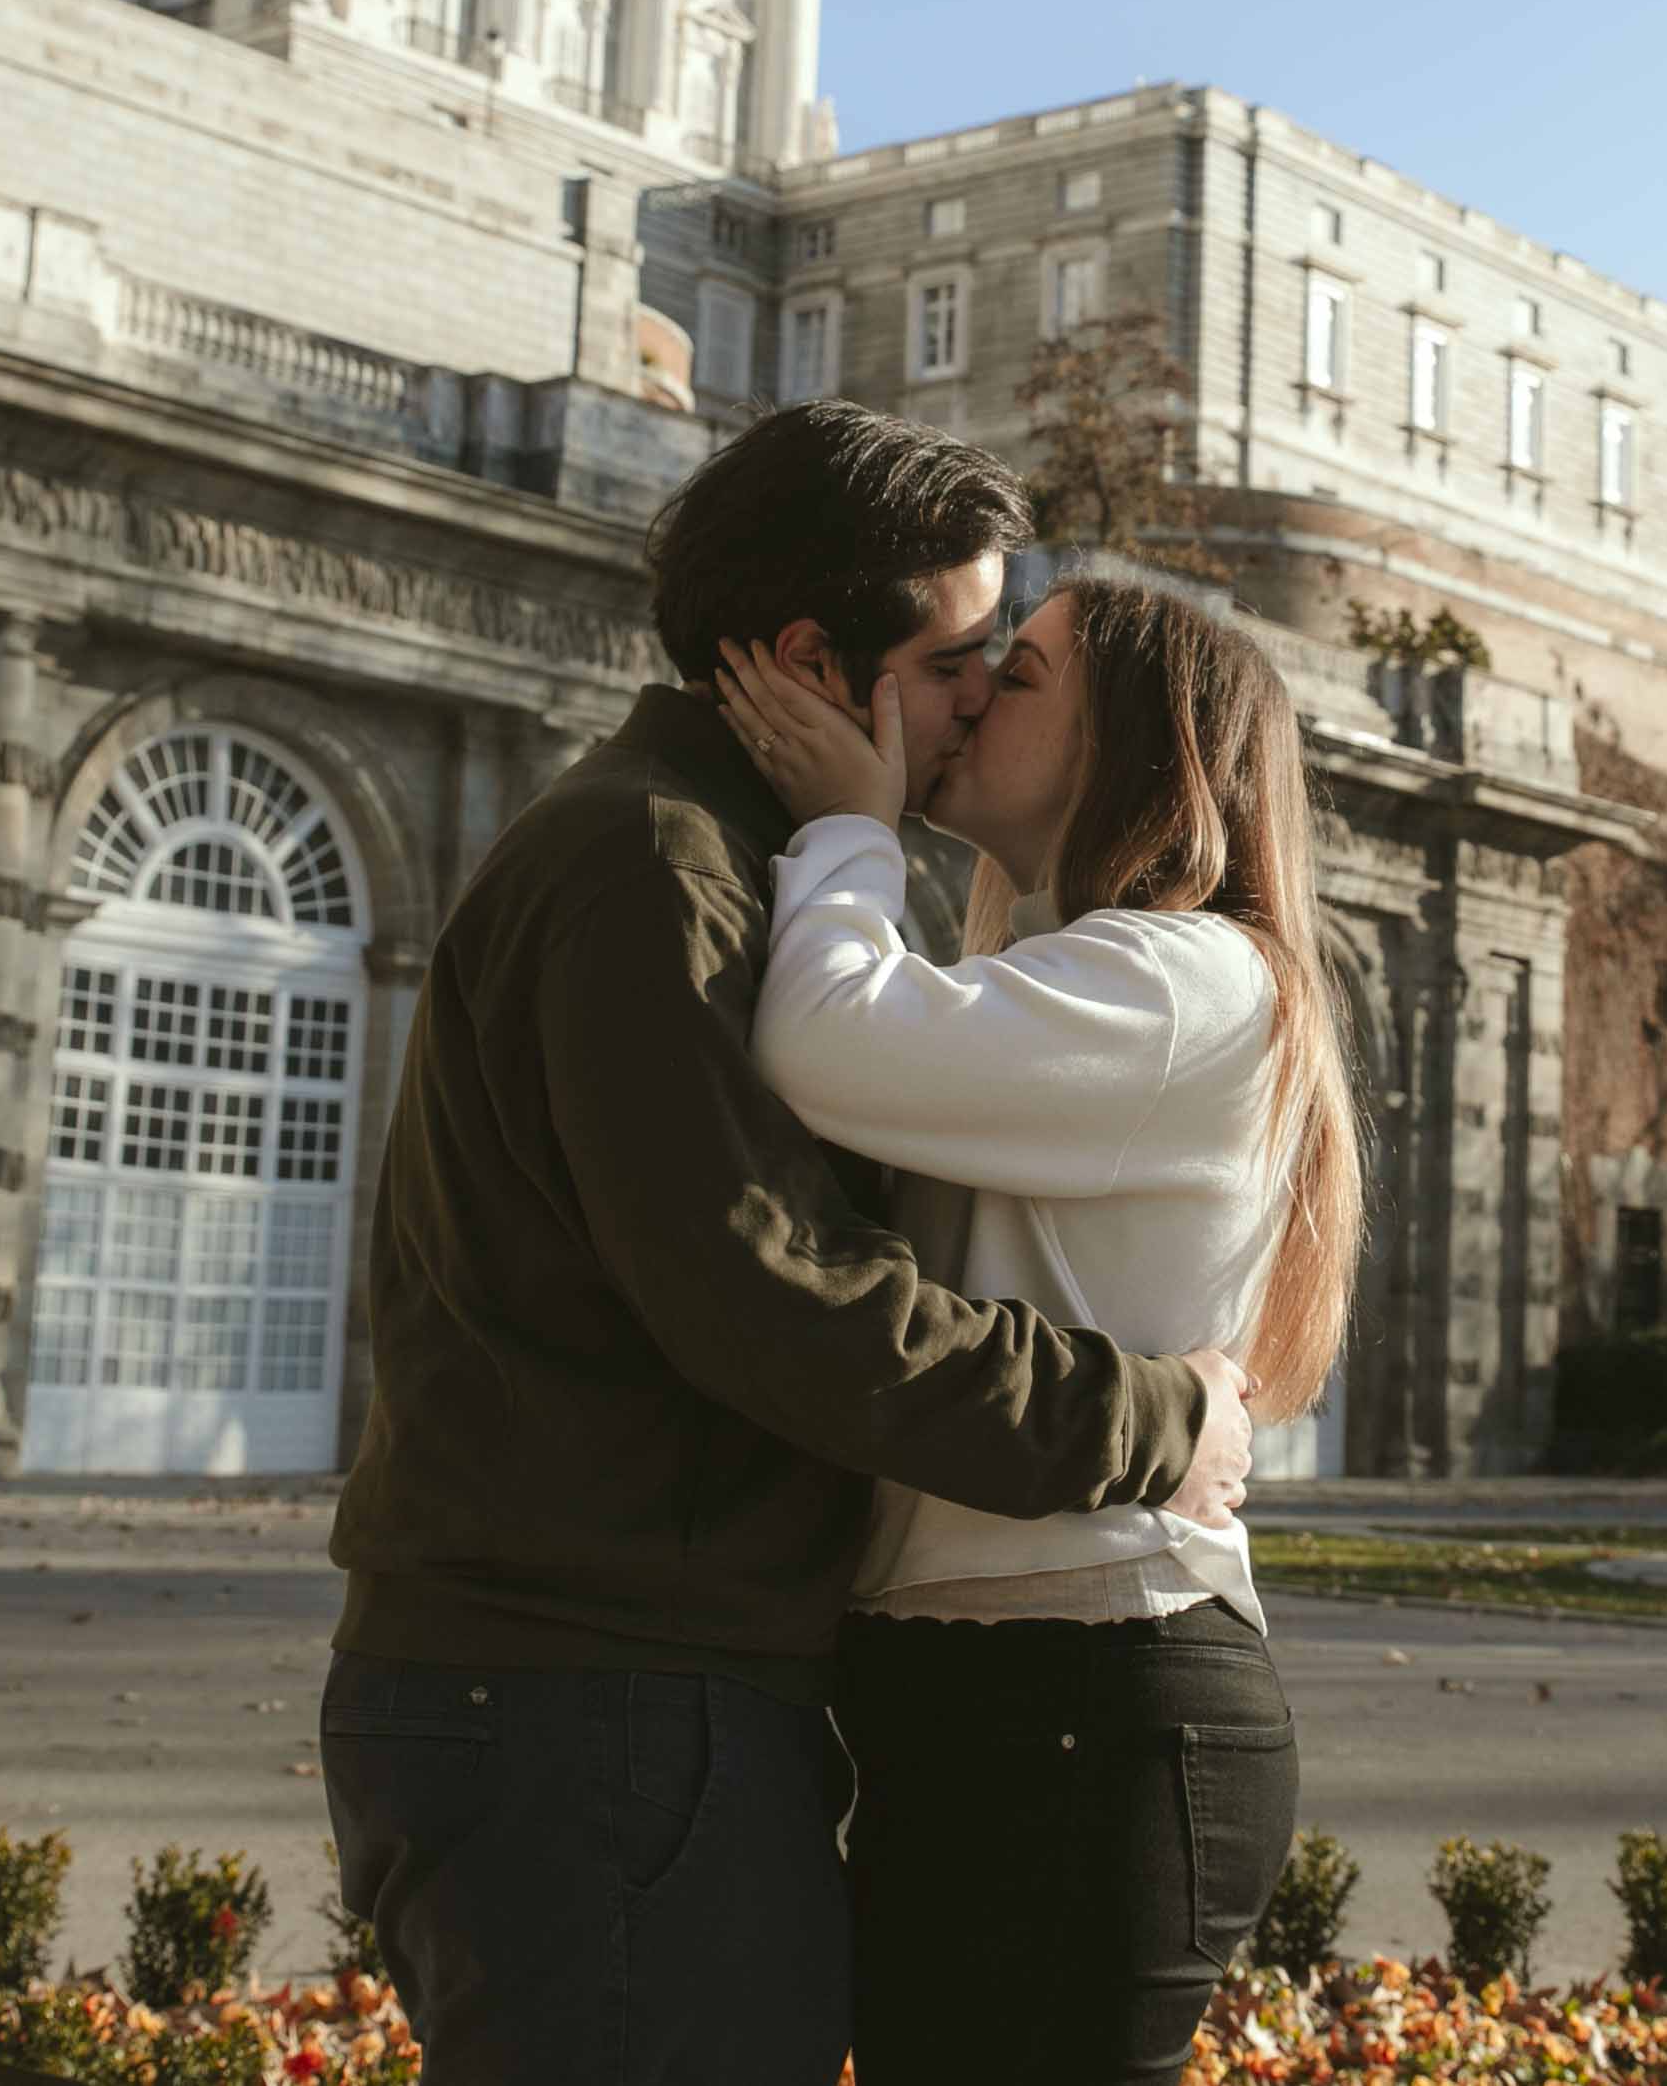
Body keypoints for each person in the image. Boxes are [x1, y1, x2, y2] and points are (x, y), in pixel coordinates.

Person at [319, 405, 1257, 2086]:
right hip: (590, 1685)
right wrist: (1151, 1420)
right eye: (962, 655)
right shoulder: (654, 865)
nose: (978, 696)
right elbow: (771, 1294)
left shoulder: (712, 855)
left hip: (608, 1680)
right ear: (817, 660)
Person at [714, 574, 1362, 2086]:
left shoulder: (1177, 972)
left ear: (1134, 740)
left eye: (1022, 673)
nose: (971, 692)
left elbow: (820, 1039)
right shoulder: (1080, 965)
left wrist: (847, 828)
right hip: (1015, 1695)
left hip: (1088, 1700)